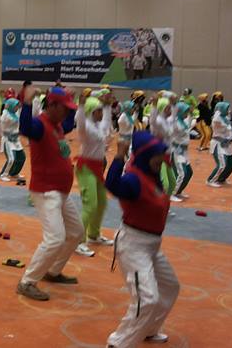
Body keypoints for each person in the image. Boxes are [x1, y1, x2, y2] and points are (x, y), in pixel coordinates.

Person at [104, 132, 179, 347]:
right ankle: (118, 343)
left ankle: (149, 328)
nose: (161, 160)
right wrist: (119, 155)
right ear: (146, 155)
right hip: (133, 245)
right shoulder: (134, 179)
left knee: (170, 287)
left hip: (153, 245)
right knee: (147, 298)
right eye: (157, 156)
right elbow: (112, 184)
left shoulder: (153, 176)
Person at [16, 87, 81, 302]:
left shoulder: (58, 125)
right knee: (55, 238)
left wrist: (71, 99)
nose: (66, 113)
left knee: (76, 233)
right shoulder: (40, 125)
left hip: (60, 192)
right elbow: (24, 127)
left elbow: (71, 122)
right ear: (51, 105)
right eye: (63, 108)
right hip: (46, 191)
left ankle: (53, 271)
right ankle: (27, 281)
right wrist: (26, 103)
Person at [74, 93, 114, 257]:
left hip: (97, 167)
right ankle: (78, 241)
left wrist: (107, 105)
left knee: (102, 202)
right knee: (90, 205)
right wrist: (82, 105)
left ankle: (93, 235)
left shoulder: (98, 126)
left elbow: (107, 121)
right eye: (98, 111)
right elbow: (80, 122)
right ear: (90, 112)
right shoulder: (86, 128)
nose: (101, 114)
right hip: (85, 168)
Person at [206, 101, 232, 187]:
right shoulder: (217, 119)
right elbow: (218, 127)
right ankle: (210, 180)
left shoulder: (225, 117)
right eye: (227, 108)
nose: (228, 110)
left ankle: (221, 179)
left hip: (227, 144)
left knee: (231, 163)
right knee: (222, 165)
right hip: (219, 143)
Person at [0, 98, 25, 183]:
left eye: (17, 106)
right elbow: (2, 121)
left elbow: (21, 111)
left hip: (16, 140)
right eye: (16, 105)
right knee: (11, 159)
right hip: (7, 140)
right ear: (11, 106)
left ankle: (13, 173)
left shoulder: (15, 113)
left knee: (22, 157)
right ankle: (2, 175)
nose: (17, 107)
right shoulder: (5, 115)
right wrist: (6, 108)